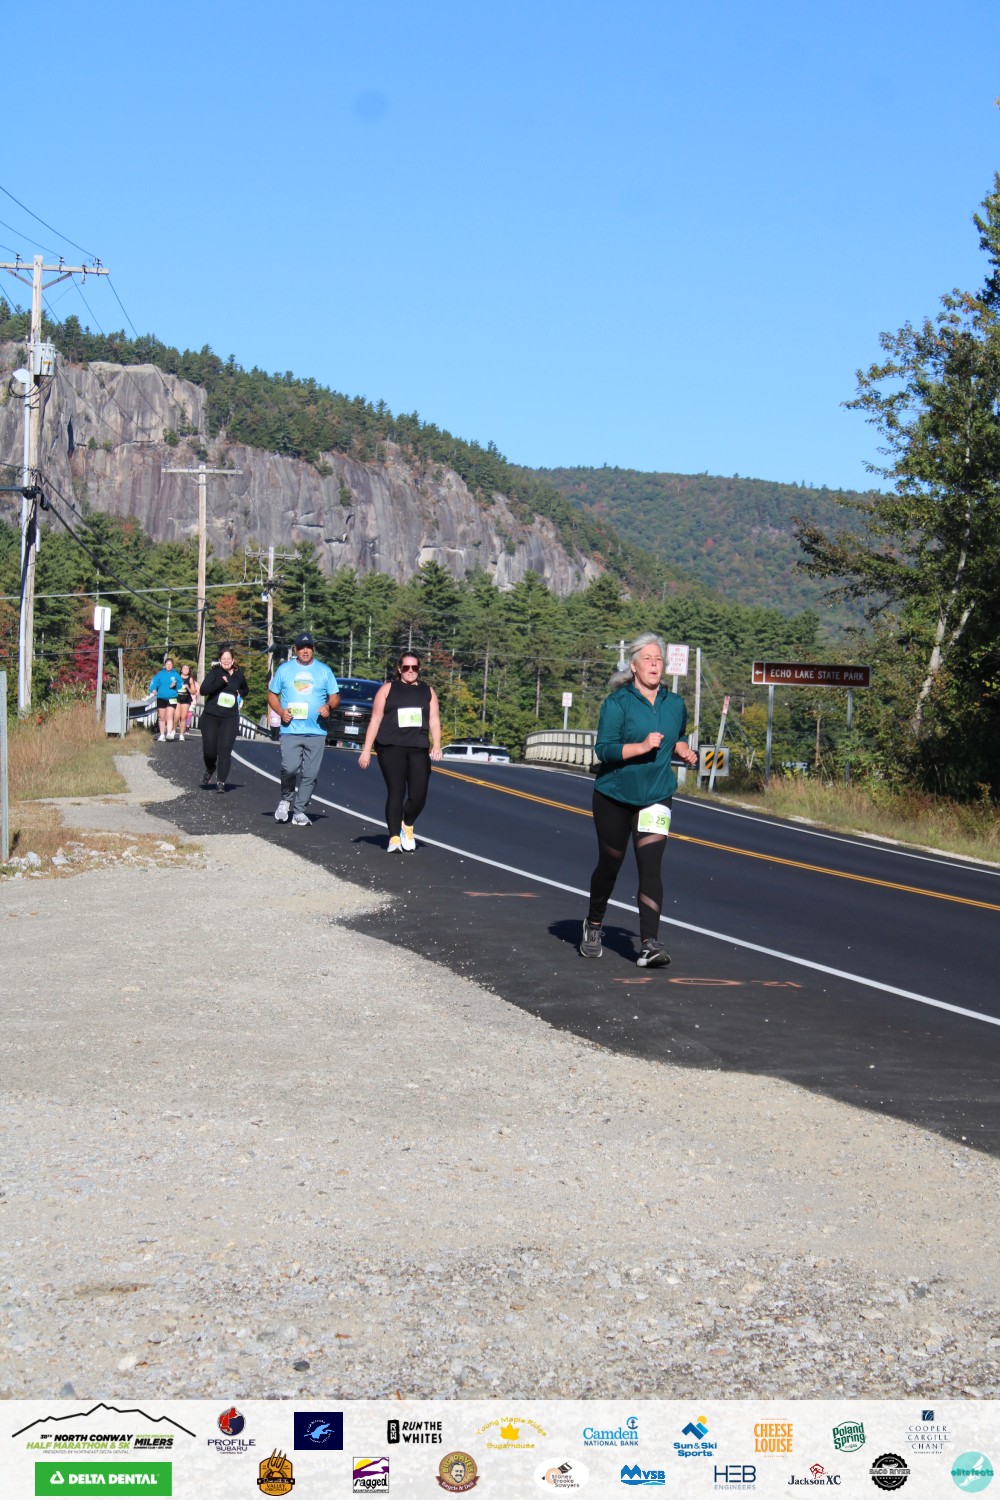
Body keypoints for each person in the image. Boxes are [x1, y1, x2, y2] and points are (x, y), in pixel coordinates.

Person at [580, 632, 698, 968]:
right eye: (647, 659)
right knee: (610, 865)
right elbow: (604, 750)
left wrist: (683, 750)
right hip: (615, 796)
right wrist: (643, 747)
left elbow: (677, 735)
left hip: (656, 795)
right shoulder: (617, 703)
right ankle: (594, 923)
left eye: (659, 659)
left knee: (650, 867)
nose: (654, 664)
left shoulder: (674, 704)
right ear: (633, 666)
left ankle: (649, 943)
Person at [358, 651, 442, 851]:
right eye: (406, 667)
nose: (410, 671)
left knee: (418, 795)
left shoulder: (428, 692)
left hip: (418, 746)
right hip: (390, 745)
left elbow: (434, 720)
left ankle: (408, 824)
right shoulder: (388, 689)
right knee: (396, 790)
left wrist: (437, 744)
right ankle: (394, 838)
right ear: (399, 669)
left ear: (419, 669)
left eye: (414, 667)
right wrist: (366, 750)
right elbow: (376, 719)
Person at [267, 633, 340, 826]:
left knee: (310, 774)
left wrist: (329, 706)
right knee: (290, 768)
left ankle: (299, 811)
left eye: (308, 647)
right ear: (295, 649)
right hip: (291, 729)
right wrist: (281, 712)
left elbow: (335, 696)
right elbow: (272, 694)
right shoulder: (285, 669)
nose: (305, 651)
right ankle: (286, 799)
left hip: (316, 731)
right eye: (301, 647)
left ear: (313, 649)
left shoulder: (324, 671)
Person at [198, 645, 249, 793]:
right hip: (211, 716)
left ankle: (221, 781)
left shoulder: (238, 675)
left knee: (224, 750)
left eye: (229, 658)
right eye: (223, 658)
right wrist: (221, 682)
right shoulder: (215, 673)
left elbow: (245, 689)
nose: (226, 661)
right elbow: (203, 690)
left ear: (233, 660)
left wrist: (241, 692)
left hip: (230, 717)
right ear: (220, 660)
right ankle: (210, 768)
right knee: (209, 751)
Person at [148, 656, 182, 742]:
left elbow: (181, 684)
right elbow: (153, 683)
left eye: (170, 664)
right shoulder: (160, 674)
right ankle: (162, 734)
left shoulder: (175, 674)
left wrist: (176, 685)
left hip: (172, 697)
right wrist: (153, 689)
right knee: (162, 717)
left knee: (169, 716)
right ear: (165, 665)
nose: (169, 666)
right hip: (161, 697)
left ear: (172, 665)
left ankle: (169, 733)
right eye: (167, 664)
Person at [174, 662, 196, 741]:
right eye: (184, 668)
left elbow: (194, 692)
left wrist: (188, 688)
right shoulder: (177, 677)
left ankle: (181, 734)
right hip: (177, 698)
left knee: (183, 717)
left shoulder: (190, 679)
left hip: (186, 699)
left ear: (189, 671)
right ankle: (173, 731)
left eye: (187, 669)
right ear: (181, 670)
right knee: (176, 716)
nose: (185, 670)